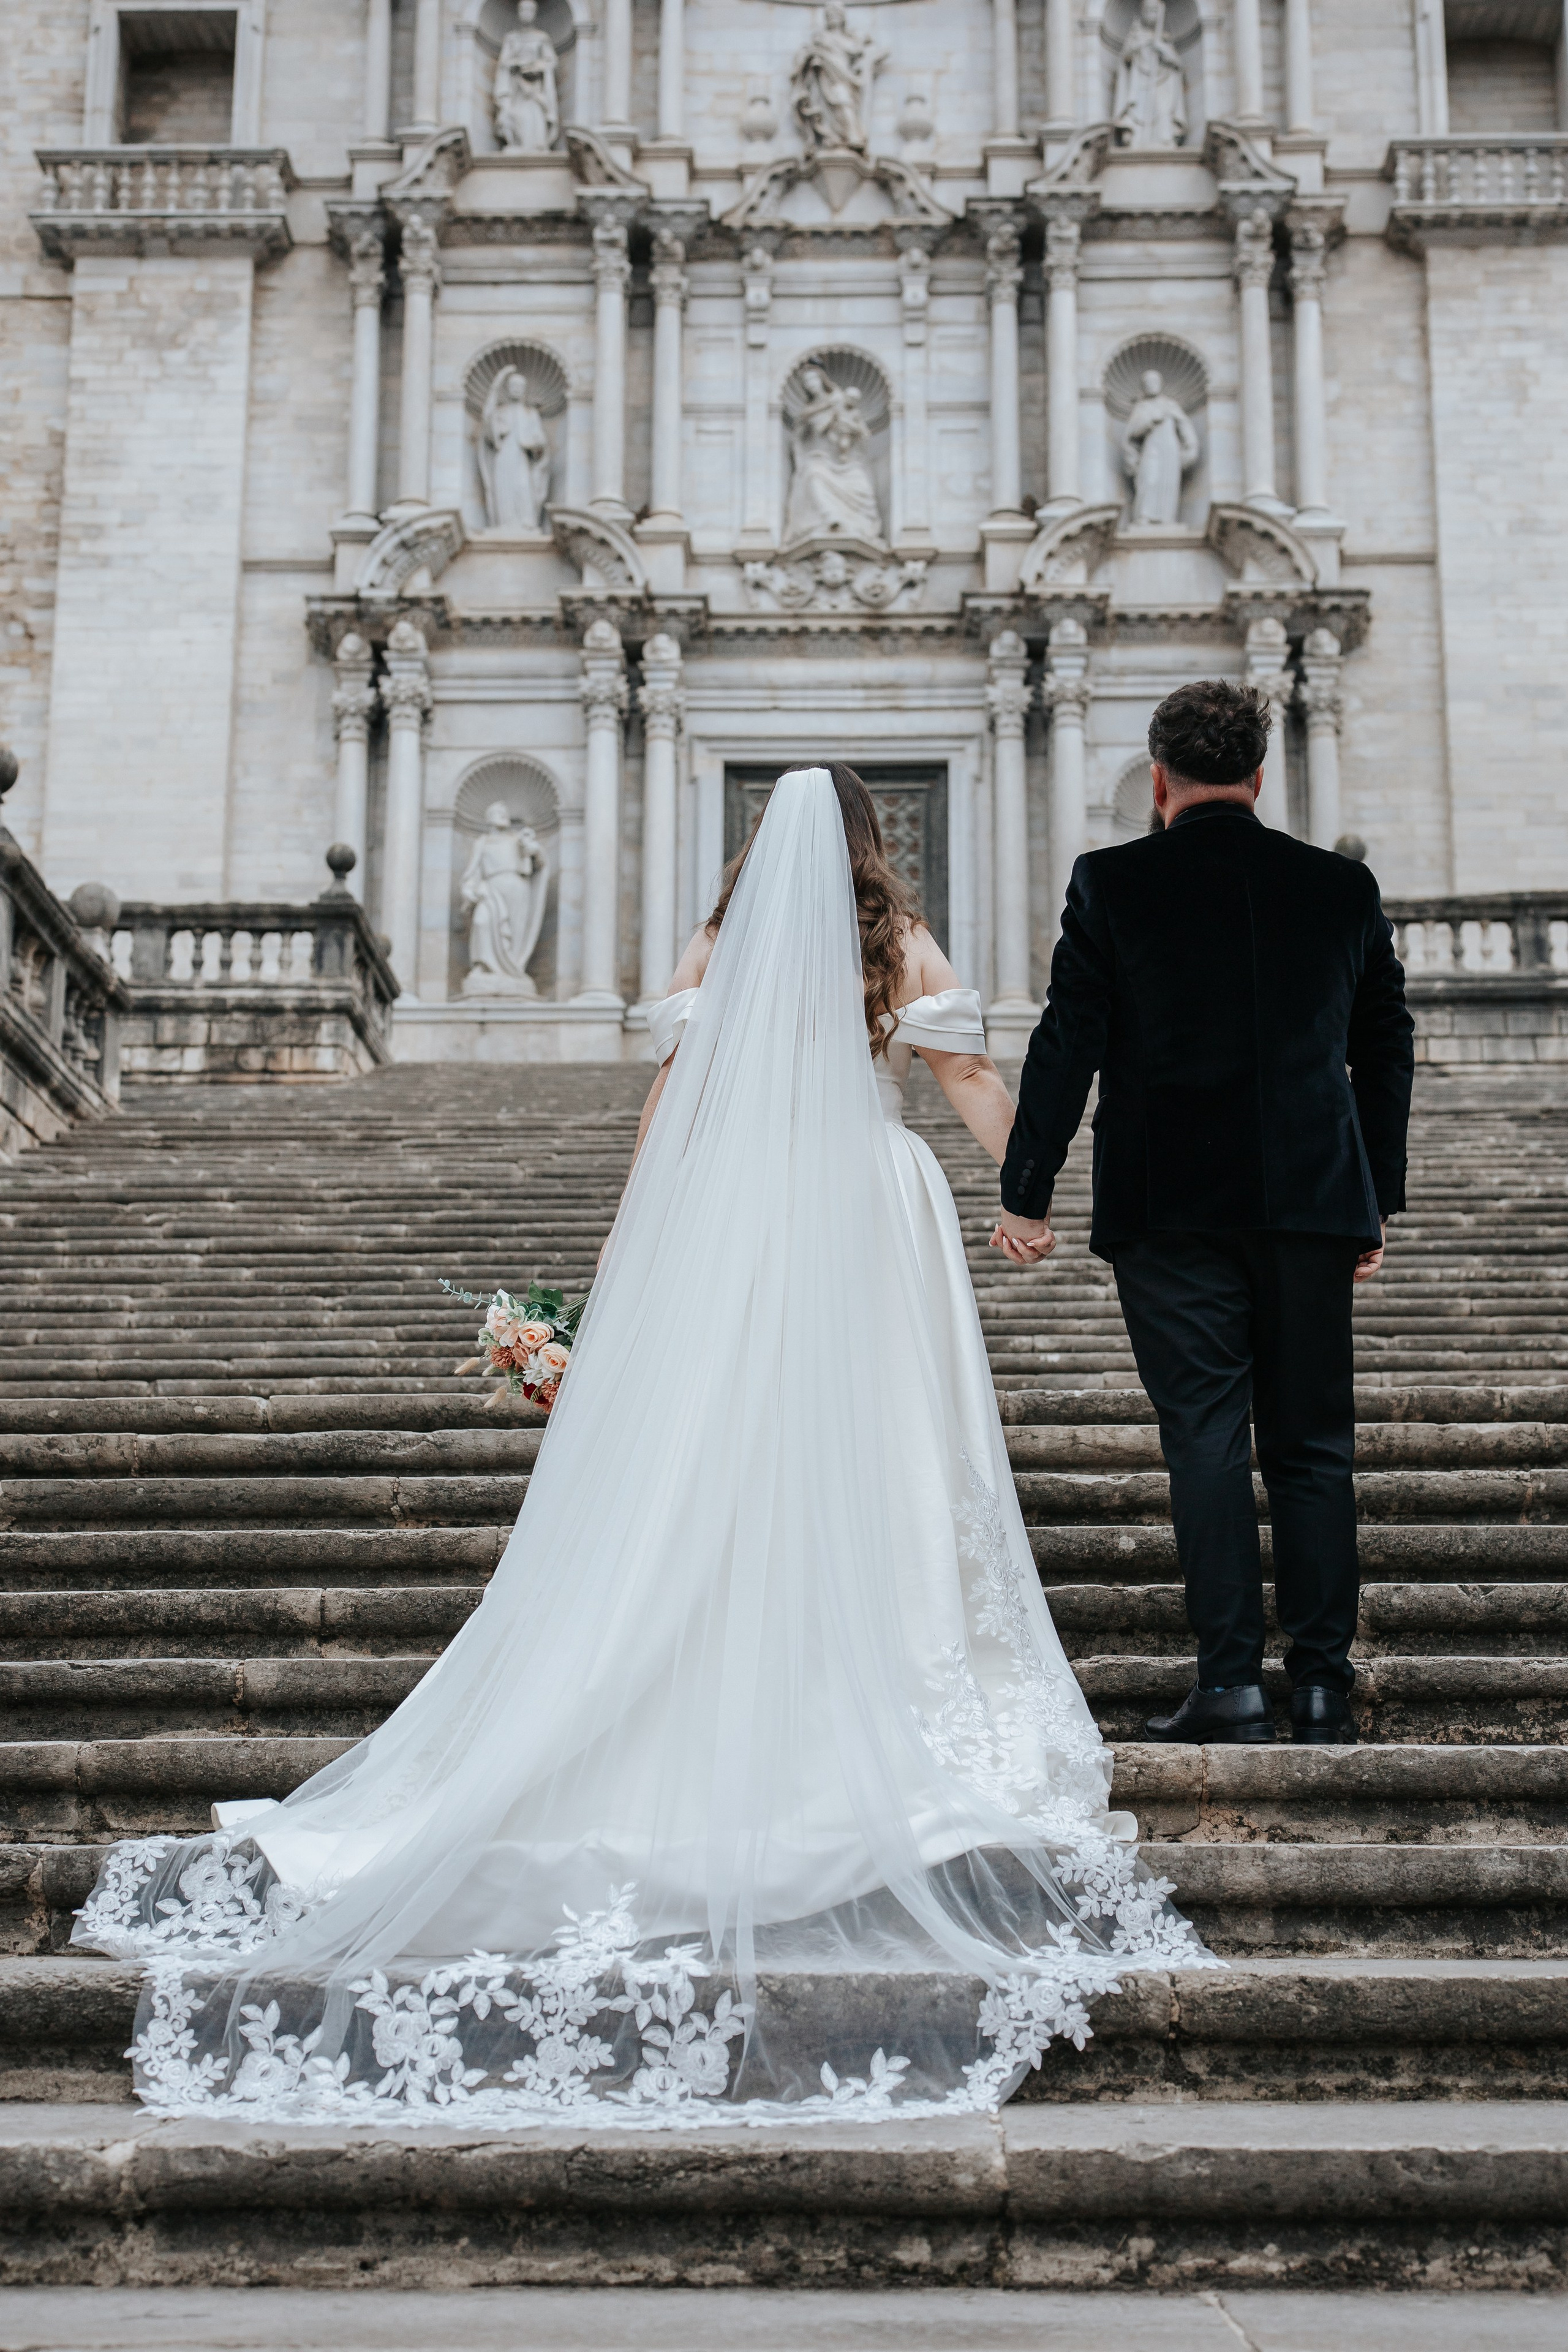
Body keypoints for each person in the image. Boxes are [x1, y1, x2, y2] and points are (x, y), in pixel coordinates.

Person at [71, 766, 1211, 2131]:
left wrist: (624, 1257)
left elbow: (670, 1099)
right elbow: (964, 1069)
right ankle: (866, 1670)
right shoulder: (891, 942)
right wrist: (1028, 1193)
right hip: (861, 1205)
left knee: (720, 1457)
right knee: (880, 1459)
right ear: (868, 846)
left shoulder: (716, 946)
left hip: (732, 1220)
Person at [993, 682, 1413, 1748]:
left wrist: (1026, 1189)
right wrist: (1374, 1200)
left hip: (1169, 1206)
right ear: (1261, 777)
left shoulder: (1111, 883)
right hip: (1314, 1202)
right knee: (1316, 1447)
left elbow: (1067, 1038)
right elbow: (1387, 1045)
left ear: (1160, 779)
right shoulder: (1341, 887)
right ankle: (1321, 1685)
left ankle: (1230, 1683)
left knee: (1208, 1441)